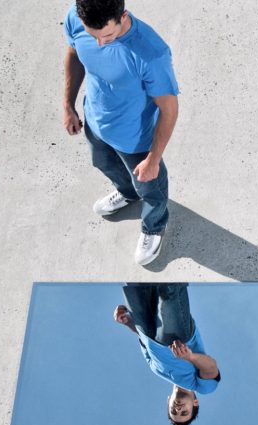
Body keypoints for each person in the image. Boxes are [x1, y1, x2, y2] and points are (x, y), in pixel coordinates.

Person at [62, 0, 179, 265]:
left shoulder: (151, 54)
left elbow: (169, 110)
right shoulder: (76, 17)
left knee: (151, 189)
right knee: (104, 164)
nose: (100, 44)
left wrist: (154, 159)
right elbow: (74, 53)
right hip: (95, 120)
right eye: (94, 36)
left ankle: (154, 226)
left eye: (108, 36)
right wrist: (68, 104)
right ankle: (127, 193)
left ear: (123, 16)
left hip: (135, 139)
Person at [114, 283, 221, 425]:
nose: (178, 409)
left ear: (168, 401)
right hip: (177, 339)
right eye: (184, 412)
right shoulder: (200, 387)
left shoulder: (156, 370)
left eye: (173, 411)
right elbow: (211, 368)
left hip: (146, 332)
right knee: (168, 294)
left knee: (134, 286)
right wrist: (190, 357)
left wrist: (128, 323)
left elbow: (145, 343)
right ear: (195, 403)